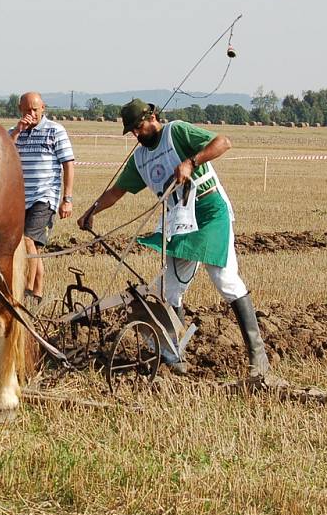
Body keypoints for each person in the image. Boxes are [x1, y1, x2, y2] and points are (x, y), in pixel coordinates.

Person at [77, 98, 273, 380]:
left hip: (209, 210)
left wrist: (191, 162)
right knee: (169, 292)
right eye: (132, 130)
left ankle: (258, 356)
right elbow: (117, 191)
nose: (136, 134)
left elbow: (223, 142)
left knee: (225, 280)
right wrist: (91, 211)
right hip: (180, 219)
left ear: (153, 116)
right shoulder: (140, 158)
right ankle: (175, 355)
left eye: (139, 127)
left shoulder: (176, 132)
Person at [9, 92, 75, 305]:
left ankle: (27, 291)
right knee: (33, 248)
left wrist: (67, 198)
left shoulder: (55, 131)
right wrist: (18, 131)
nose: (32, 114)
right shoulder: (14, 132)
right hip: (20, 198)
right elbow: (5, 154)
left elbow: (68, 164)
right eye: (27, 110)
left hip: (44, 197)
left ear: (43, 108)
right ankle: (38, 294)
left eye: (35, 109)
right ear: (20, 110)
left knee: (28, 239)